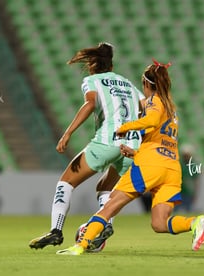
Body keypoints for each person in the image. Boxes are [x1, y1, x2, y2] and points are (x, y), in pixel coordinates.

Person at [56, 59, 204, 255]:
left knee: (110, 205)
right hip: (171, 169)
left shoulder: (155, 100)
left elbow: (151, 121)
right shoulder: (172, 110)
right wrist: (136, 152)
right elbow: (160, 142)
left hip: (149, 166)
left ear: (147, 84)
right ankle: (195, 222)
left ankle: (80, 245)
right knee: (159, 223)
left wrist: (125, 127)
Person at [29, 42, 145, 250]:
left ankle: (56, 231)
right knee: (105, 187)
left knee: (66, 182)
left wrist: (67, 133)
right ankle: (106, 225)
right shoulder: (127, 84)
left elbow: (90, 103)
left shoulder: (92, 80)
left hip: (107, 142)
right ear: (111, 64)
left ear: (92, 64)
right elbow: (147, 108)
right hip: (133, 145)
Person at [174, 144, 200, 212]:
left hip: (188, 193)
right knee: (175, 211)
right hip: (178, 192)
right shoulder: (179, 164)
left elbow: (196, 181)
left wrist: (195, 193)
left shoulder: (193, 166)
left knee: (188, 211)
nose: (186, 157)